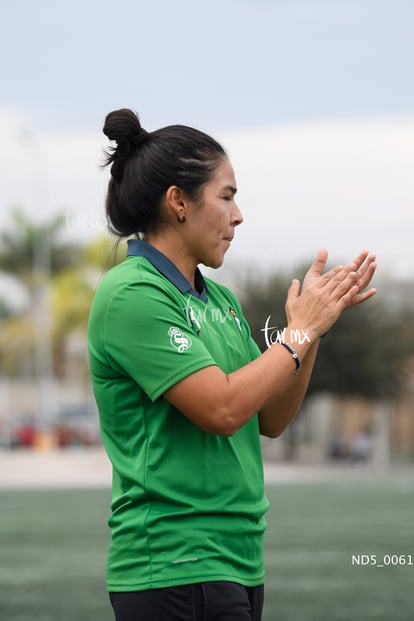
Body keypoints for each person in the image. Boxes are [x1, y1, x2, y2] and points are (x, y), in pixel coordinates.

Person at [88, 108, 377, 621]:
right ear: (178, 201)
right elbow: (221, 409)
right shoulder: (131, 292)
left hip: (238, 562)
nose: (238, 215)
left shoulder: (219, 300)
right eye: (227, 196)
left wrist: (313, 330)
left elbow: (270, 419)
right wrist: (298, 332)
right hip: (176, 564)